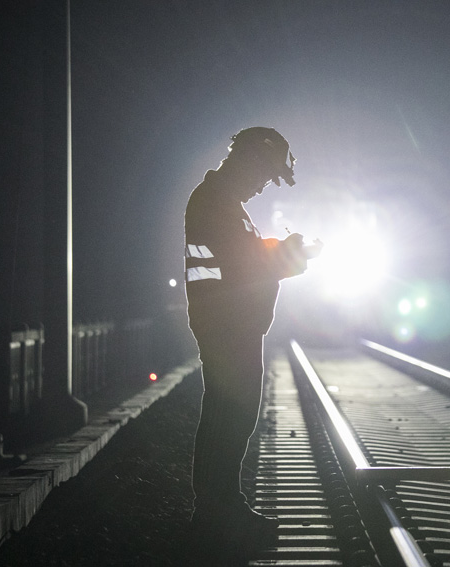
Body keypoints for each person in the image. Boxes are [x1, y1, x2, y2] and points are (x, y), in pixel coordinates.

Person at [184, 127, 321, 548]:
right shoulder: (215, 202)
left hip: (232, 326)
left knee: (232, 419)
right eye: (266, 175)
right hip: (226, 327)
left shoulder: (224, 202)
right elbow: (246, 264)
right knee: (227, 418)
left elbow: (246, 255)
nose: (264, 186)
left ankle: (222, 507)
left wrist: (286, 249)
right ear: (251, 160)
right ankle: (215, 516)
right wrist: (294, 251)